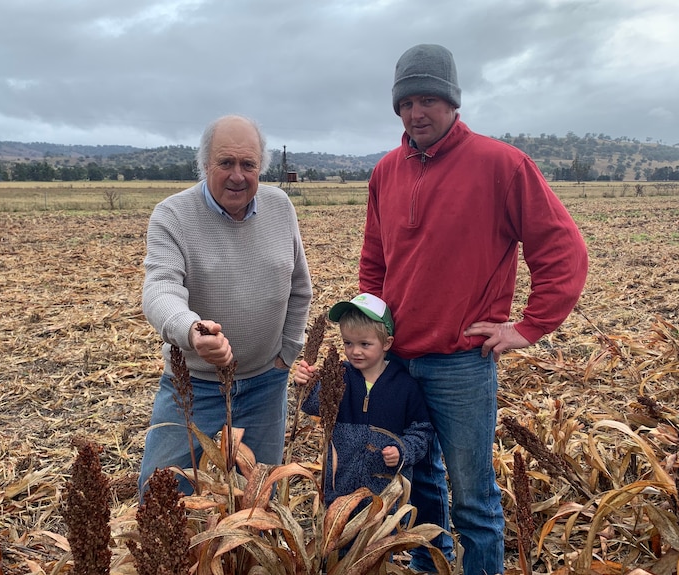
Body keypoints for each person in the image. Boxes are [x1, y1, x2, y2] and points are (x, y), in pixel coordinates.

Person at [359, 44, 589, 575]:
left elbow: (561, 248)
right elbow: (375, 260)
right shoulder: (386, 172)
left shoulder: (501, 165)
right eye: (407, 102)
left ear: (453, 102)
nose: (417, 113)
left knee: (473, 500)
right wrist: (373, 330)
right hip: (399, 362)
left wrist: (530, 327)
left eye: (429, 100)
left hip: (460, 365)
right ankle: (430, 567)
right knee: (418, 486)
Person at [138, 115, 313, 496]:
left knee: (258, 501)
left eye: (248, 164)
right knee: (160, 493)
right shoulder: (173, 215)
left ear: (260, 169)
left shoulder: (280, 207)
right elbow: (159, 290)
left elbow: (300, 288)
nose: (238, 175)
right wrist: (192, 331)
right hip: (194, 385)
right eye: (226, 163)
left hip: (266, 382)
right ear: (204, 165)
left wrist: (287, 354)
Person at [294, 293, 433, 508]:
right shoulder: (339, 376)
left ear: (387, 343)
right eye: (348, 342)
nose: (354, 351)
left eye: (364, 344)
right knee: (340, 539)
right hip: (340, 494)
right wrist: (305, 385)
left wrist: (402, 450)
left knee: (385, 539)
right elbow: (314, 406)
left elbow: (422, 431)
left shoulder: (405, 386)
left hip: (386, 500)